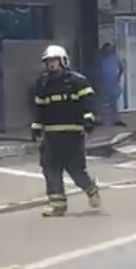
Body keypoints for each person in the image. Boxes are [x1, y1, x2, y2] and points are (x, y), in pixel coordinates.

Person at [31, 44, 102, 217]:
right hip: (51, 135)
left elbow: (89, 102)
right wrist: (36, 126)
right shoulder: (43, 83)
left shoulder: (77, 81)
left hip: (72, 134)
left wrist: (89, 118)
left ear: (63, 61)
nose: (51, 65)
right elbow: (39, 108)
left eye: (54, 61)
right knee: (50, 169)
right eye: (48, 62)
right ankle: (57, 205)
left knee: (76, 170)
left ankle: (90, 189)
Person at [99, 42, 127, 127]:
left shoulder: (115, 58)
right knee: (105, 103)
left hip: (113, 84)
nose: (108, 50)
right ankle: (104, 120)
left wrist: (118, 78)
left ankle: (115, 120)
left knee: (113, 102)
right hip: (105, 83)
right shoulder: (102, 59)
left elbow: (121, 68)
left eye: (109, 49)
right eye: (107, 49)